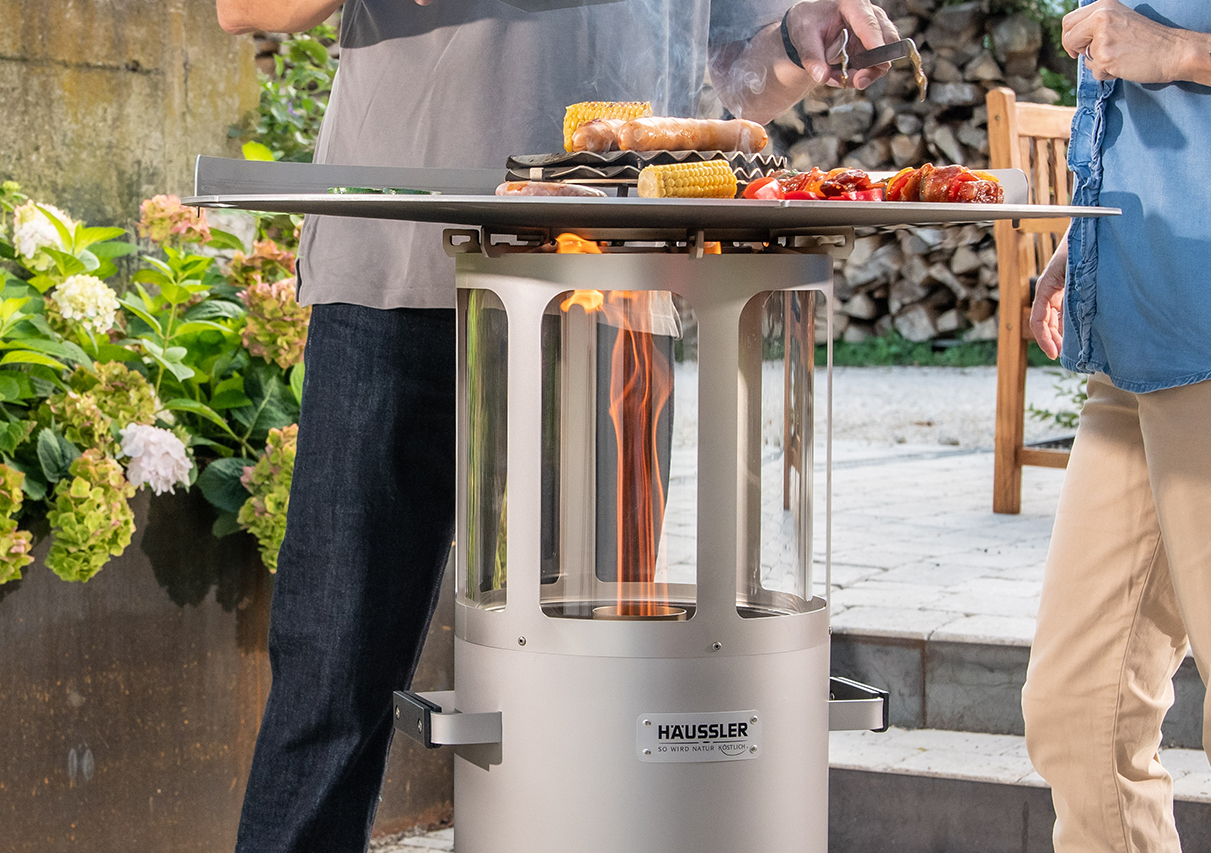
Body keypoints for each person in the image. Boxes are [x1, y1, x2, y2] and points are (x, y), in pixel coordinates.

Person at [213, 1, 898, 851]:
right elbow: (244, 10)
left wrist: (800, 43)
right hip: (388, 277)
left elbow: (732, 73)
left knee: (590, 686)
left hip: (605, 300)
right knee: (331, 676)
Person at [1023, 1, 1211, 850]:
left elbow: (1178, 60)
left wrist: (1181, 50)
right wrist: (1085, 247)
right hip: (1135, 345)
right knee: (1079, 711)